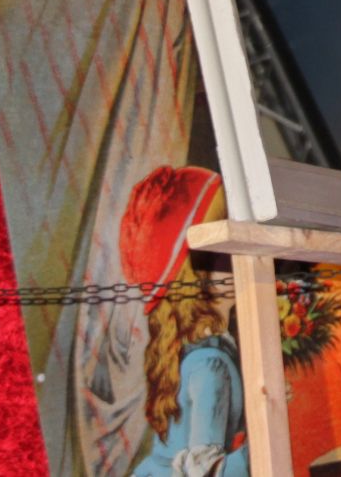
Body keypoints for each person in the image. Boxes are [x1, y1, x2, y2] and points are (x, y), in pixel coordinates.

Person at [121, 165, 250, 477]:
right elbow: (206, 472)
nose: (240, 250)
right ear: (194, 275)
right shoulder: (211, 364)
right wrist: (267, 436)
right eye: (223, 246)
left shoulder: (199, 352)